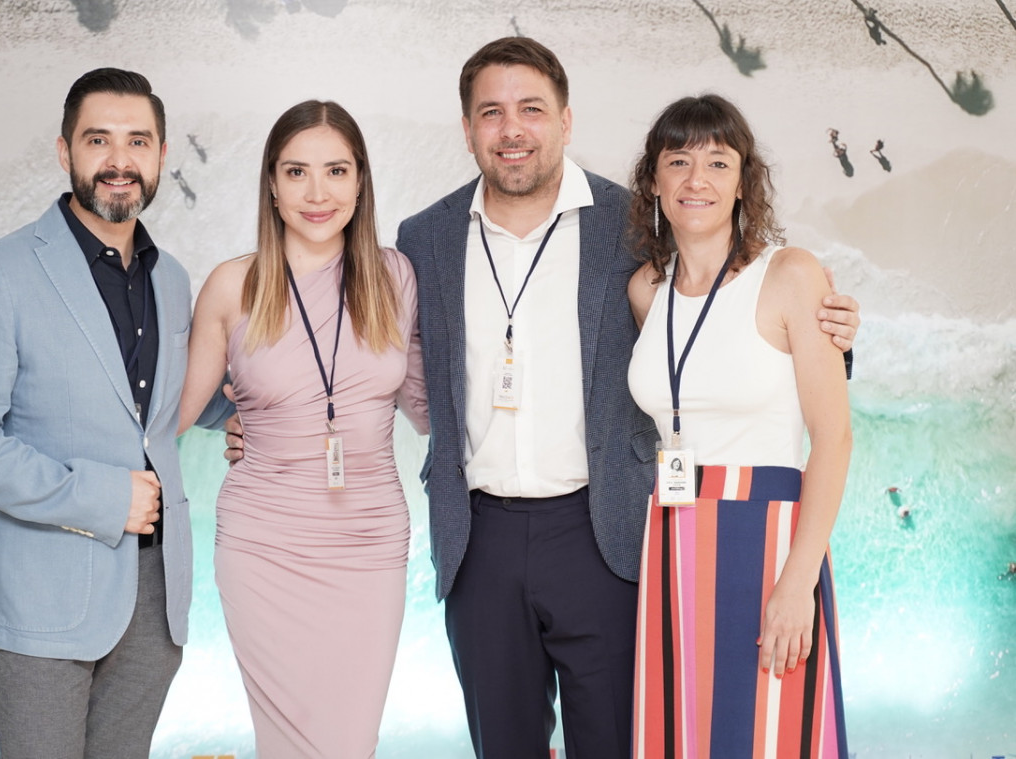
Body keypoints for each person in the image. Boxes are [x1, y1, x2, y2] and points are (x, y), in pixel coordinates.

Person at [393, 39, 860, 759]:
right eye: (492, 112)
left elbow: (745, 334)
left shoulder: (624, 228)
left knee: (642, 738)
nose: (512, 128)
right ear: (468, 128)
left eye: (531, 109)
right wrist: (256, 414)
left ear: (566, 120)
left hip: (603, 535)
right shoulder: (424, 237)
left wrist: (837, 337)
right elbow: (377, 343)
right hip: (483, 540)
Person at [0, 68, 192, 759]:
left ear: (162, 155)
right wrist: (103, 497)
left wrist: (248, 412)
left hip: (155, 596)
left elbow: (157, 400)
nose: (119, 160)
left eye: (138, 140)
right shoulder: (1, 271)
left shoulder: (172, 279)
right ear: (64, 151)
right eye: (98, 139)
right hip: (41, 594)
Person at [177, 100, 427, 757]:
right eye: (296, 172)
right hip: (265, 544)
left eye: (336, 171)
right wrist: (237, 417)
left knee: (349, 742)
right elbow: (169, 413)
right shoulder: (234, 285)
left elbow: (429, 409)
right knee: (286, 743)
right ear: (271, 183)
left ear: (361, 181)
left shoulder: (395, 276)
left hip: (370, 544)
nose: (317, 193)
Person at [627, 93, 852, 757]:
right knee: (684, 733)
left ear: (743, 181)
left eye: (718, 163)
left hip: (768, 537)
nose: (697, 180)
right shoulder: (648, 287)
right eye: (679, 161)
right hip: (669, 536)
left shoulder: (789, 274)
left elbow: (834, 438)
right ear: (654, 181)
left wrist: (798, 579)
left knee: (772, 735)